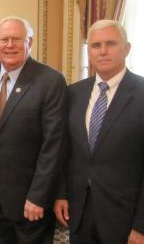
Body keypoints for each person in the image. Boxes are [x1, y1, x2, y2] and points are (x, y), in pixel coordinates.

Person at [0, 16, 67, 244]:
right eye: (4, 39)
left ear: (30, 42)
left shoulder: (51, 80)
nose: (9, 45)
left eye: (17, 39)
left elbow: (54, 144)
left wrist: (39, 195)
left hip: (31, 197)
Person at [54, 20, 144, 244]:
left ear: (127, 48)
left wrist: (141, 226)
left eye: (111, 44)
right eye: (95, 45)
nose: (102, 51)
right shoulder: (73, 93)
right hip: (79, 210)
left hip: (124, 217)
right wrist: (61, 193)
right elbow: (65, 151)